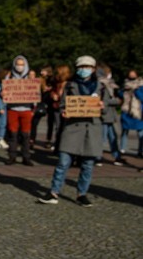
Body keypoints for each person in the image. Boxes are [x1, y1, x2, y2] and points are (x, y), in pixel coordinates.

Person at [39, 55, 104, 207]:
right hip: (73, 128)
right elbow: (63, 105)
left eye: (88, 67)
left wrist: (102, 105)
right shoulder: (70, 85)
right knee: (63, 162)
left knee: (88, 164)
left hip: (91, 128)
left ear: (93, 69)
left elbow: (110, 104)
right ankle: (54, 192)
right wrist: (64, 112)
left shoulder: (100, 86)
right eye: (81, 67)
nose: (84, 70)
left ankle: (82, 194)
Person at [3, 55, 37, 166]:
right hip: (13, 109)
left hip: (26, 109)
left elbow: (35, 93)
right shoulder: (10, 78)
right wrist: (2, 94)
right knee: (13, 134)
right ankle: (12, 156)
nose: (20, 66)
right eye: (18, 64)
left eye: (22, 64)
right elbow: (3, 91)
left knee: (25, 135)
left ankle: (26, 157)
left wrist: (34, 108)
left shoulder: (30, 78)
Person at [97, 64, 124, 166]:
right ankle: (98, 157)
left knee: (112, 137)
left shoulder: (108, 84)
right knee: (102, 138)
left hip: (109, 115)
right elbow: (105, 101)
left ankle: (116, 156)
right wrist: (116, 101)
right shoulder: (102, 84)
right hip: (105, 114)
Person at [48, 64, 72, 152]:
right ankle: (58, 146)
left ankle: (64, 146)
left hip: (67, 108)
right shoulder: (56, 83)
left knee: (65, 128)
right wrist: (53, 95)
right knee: (58, 127)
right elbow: (52, 91)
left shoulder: (70, 84)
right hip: (56, 107)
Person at [119, 69, 143, 158]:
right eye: (130, 74)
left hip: (137, 112)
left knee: (140, 133)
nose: (132, 76)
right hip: (126, 110)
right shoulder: (125, 84)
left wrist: (136, 91)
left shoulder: (141, 85)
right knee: (124, 131)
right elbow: (120, 95)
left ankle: (140, 151)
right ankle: (122, 149)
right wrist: (124, 91)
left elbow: (142, 97)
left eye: (133, 74)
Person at [30, 66, 53, 146]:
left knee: (50, 123)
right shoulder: (39, 80)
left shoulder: (51, 80)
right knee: (33, 123)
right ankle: (31, 139)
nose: (41, 73)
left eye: (43, 71)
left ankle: (48, 140)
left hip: (47, 104)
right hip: (38, 103)